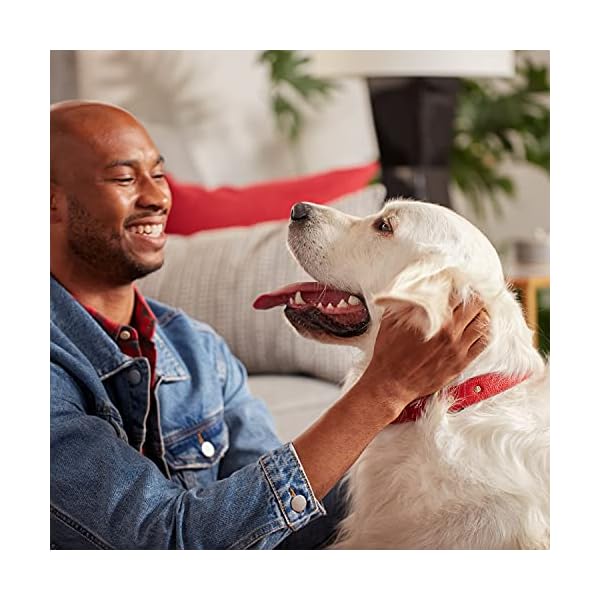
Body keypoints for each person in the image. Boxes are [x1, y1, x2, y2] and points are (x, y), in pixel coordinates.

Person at [50, 100, 490, 550]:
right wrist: (383, 391)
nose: (158, 198)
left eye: (159, 175)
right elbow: (166, 542)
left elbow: (279, 524)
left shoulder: (198, 351)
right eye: (124, 178)